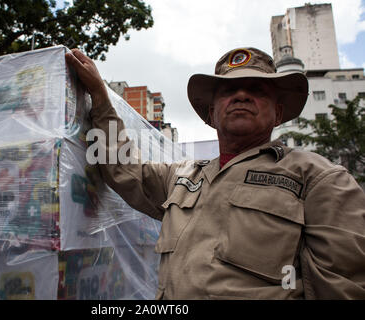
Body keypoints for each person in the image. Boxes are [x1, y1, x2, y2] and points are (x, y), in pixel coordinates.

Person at [65, 47, 365, 299]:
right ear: (211, 114)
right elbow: (122, 167)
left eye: (257, 89)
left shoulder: (319, 180)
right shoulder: (181, 178)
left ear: (278, 112)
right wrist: (100, 98)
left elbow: (342, 289)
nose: (242, 95)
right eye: (229, 90)